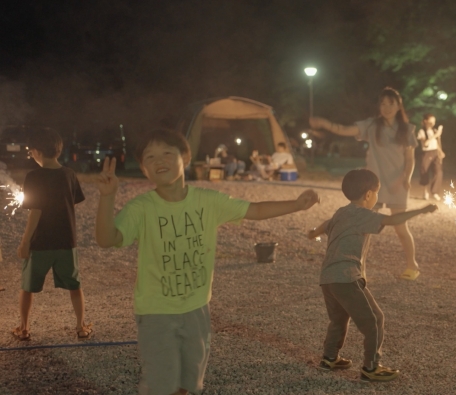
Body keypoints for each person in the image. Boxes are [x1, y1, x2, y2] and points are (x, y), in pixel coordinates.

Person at [95, 129, 320, 395]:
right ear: (144, 169)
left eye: (168, 153)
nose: (159, 160)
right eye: (150, 157)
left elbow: (255, 210)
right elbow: (107, 239)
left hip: (197, 308)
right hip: (156, 311)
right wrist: (107, 197)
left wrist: (296, 204)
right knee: (161, 385)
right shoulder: (141, 208)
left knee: (188, 383)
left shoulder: (208, 201)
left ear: (186, 158)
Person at [308, 169, 437, 382]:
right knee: (374, 319)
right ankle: (371, 367)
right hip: (347, 276)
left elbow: (326, 224)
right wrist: (421, 210)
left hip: (328, 277)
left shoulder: (342, 211)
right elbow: (393, 220)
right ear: (368, 194)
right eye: (376, 193)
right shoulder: (363, 214)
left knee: (338, 319)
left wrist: (313, 233)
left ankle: (329, 358)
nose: (377, 198)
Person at [309, 87, 422, 281]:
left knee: (401, 227)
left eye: (391, 104)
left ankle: (412, 265)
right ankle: (360, 269)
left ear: (398, 106)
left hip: (397, 183)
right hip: (372, 185)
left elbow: (410, 159)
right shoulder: (371, 125)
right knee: (364, 227)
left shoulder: (407, 129)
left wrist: (406, 178)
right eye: (383, 103)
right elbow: (344, 130)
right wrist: (325, 123)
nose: (386, 108)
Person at [13, 128, 89, 341]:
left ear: (36, 151)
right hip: (67, 241)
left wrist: (25, 241)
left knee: (27, 287)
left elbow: (36, 211)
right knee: (75, 286)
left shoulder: (33, 176)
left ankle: (24, 328)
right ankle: (81, 327)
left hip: (40, 243)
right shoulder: (69, 174)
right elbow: (73, 202)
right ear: (58, 150)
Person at [416, 113, 444, 200]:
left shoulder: (434, 131)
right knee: (424, 172)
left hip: (435, 152)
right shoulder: (421, 131)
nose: (433, 123)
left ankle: (434, 192)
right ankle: (425, 192)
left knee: (438, 172)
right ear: (425, 121)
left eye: (434, 121)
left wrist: (440, 151)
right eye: (431, 121)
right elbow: (425, 143)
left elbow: (437, 143)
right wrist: (436, 135)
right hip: (426, 153)